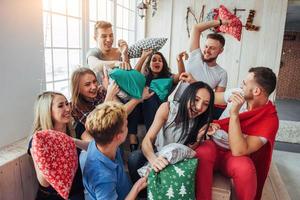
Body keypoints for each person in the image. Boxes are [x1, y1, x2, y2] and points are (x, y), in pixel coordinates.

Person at [195, 67, 279, 200]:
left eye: (245, 83)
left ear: (256, 91)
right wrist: (193, 84)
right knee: (202, 153)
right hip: (213, 145)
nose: (241, 85)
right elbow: (213, 97)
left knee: (245, 169)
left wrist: (234, 114)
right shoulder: (239, 93)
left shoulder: (269, 120)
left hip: (232, 155)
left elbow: (239, 151)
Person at [128, 82, 216, 191]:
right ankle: (143, 195)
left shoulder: (202, 120)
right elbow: (148, 139)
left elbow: (187, 151)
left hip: (177, 160)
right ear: (187, 95)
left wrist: (198, 138)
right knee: (134, 158)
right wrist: (154, 160)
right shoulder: (167, 108)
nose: (199, 107)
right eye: (196, 99)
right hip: (157, 154)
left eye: (206, 104)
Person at [80, 101, 147, 200]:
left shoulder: (99, 143)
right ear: (119, 136)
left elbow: (88, 145)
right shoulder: (103, 179)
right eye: (126, 125)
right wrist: (136, 188)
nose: (127, 127)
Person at [71, 67, 154, 141]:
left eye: (94, 81)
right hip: (102, 137)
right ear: (77, 88)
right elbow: (97, 127)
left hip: (113, 129)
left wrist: (108, 91)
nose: (93, 87)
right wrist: (109, 96)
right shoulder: (76, 106)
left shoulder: (100, 91)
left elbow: (122, 110)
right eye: (87, 84)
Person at [126, 50, 187, 151]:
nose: (157, 62)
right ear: (149, 64)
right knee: (137, 97)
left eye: (160, 60)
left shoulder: (169, 77)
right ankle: (133, 138)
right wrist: (143, 56)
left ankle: (151, 138)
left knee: (150, 95)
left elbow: (181, 75)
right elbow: (134, 75)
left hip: (157, 112)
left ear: (163, 64)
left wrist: (179, 60)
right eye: (154, 60)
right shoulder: (144, 77)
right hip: (141, 112)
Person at [28, 91, 84, 200]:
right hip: (52, 196)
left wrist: (69, 141)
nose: (67, 109)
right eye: (60, 106)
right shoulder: (37, 140)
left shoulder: (75, 127)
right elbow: (44, 182)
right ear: (47, 112)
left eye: (67, 104)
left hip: (78, 192)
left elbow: (95, 146)